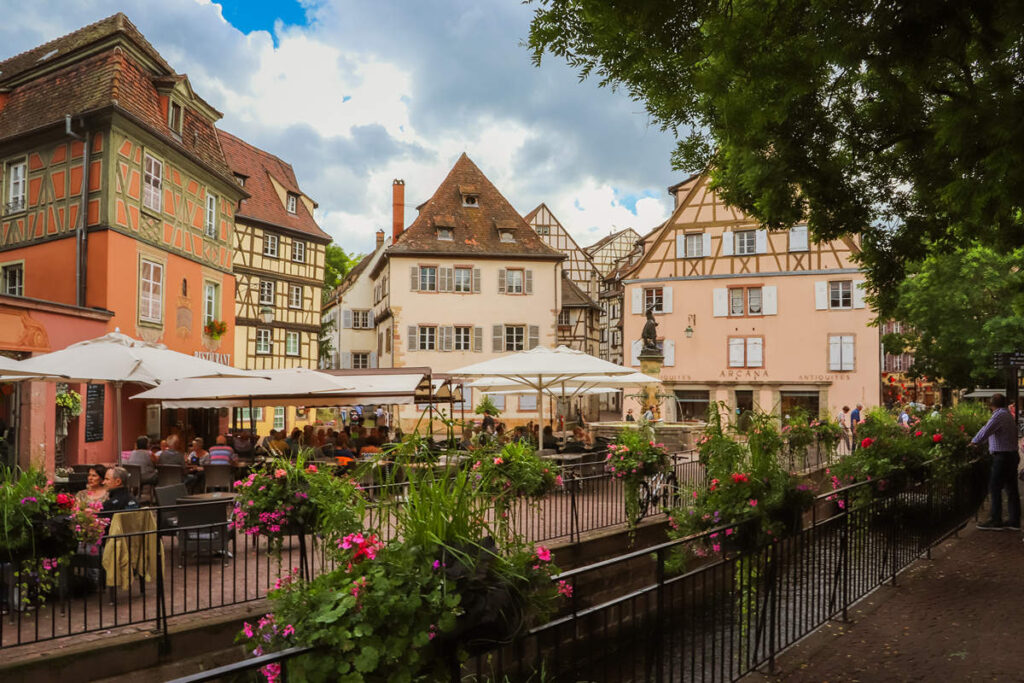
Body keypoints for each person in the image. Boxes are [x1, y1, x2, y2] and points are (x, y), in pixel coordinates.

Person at [971, 393, 1020, 531]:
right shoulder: (1007, 414)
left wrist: (974, 441)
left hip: (1002, 457)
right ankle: (1014, 521)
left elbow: (986, 430)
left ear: (991, 404)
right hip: (1011, 455)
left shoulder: (998, 415)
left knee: (994, 487)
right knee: (1011, 489)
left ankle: (995, 520)